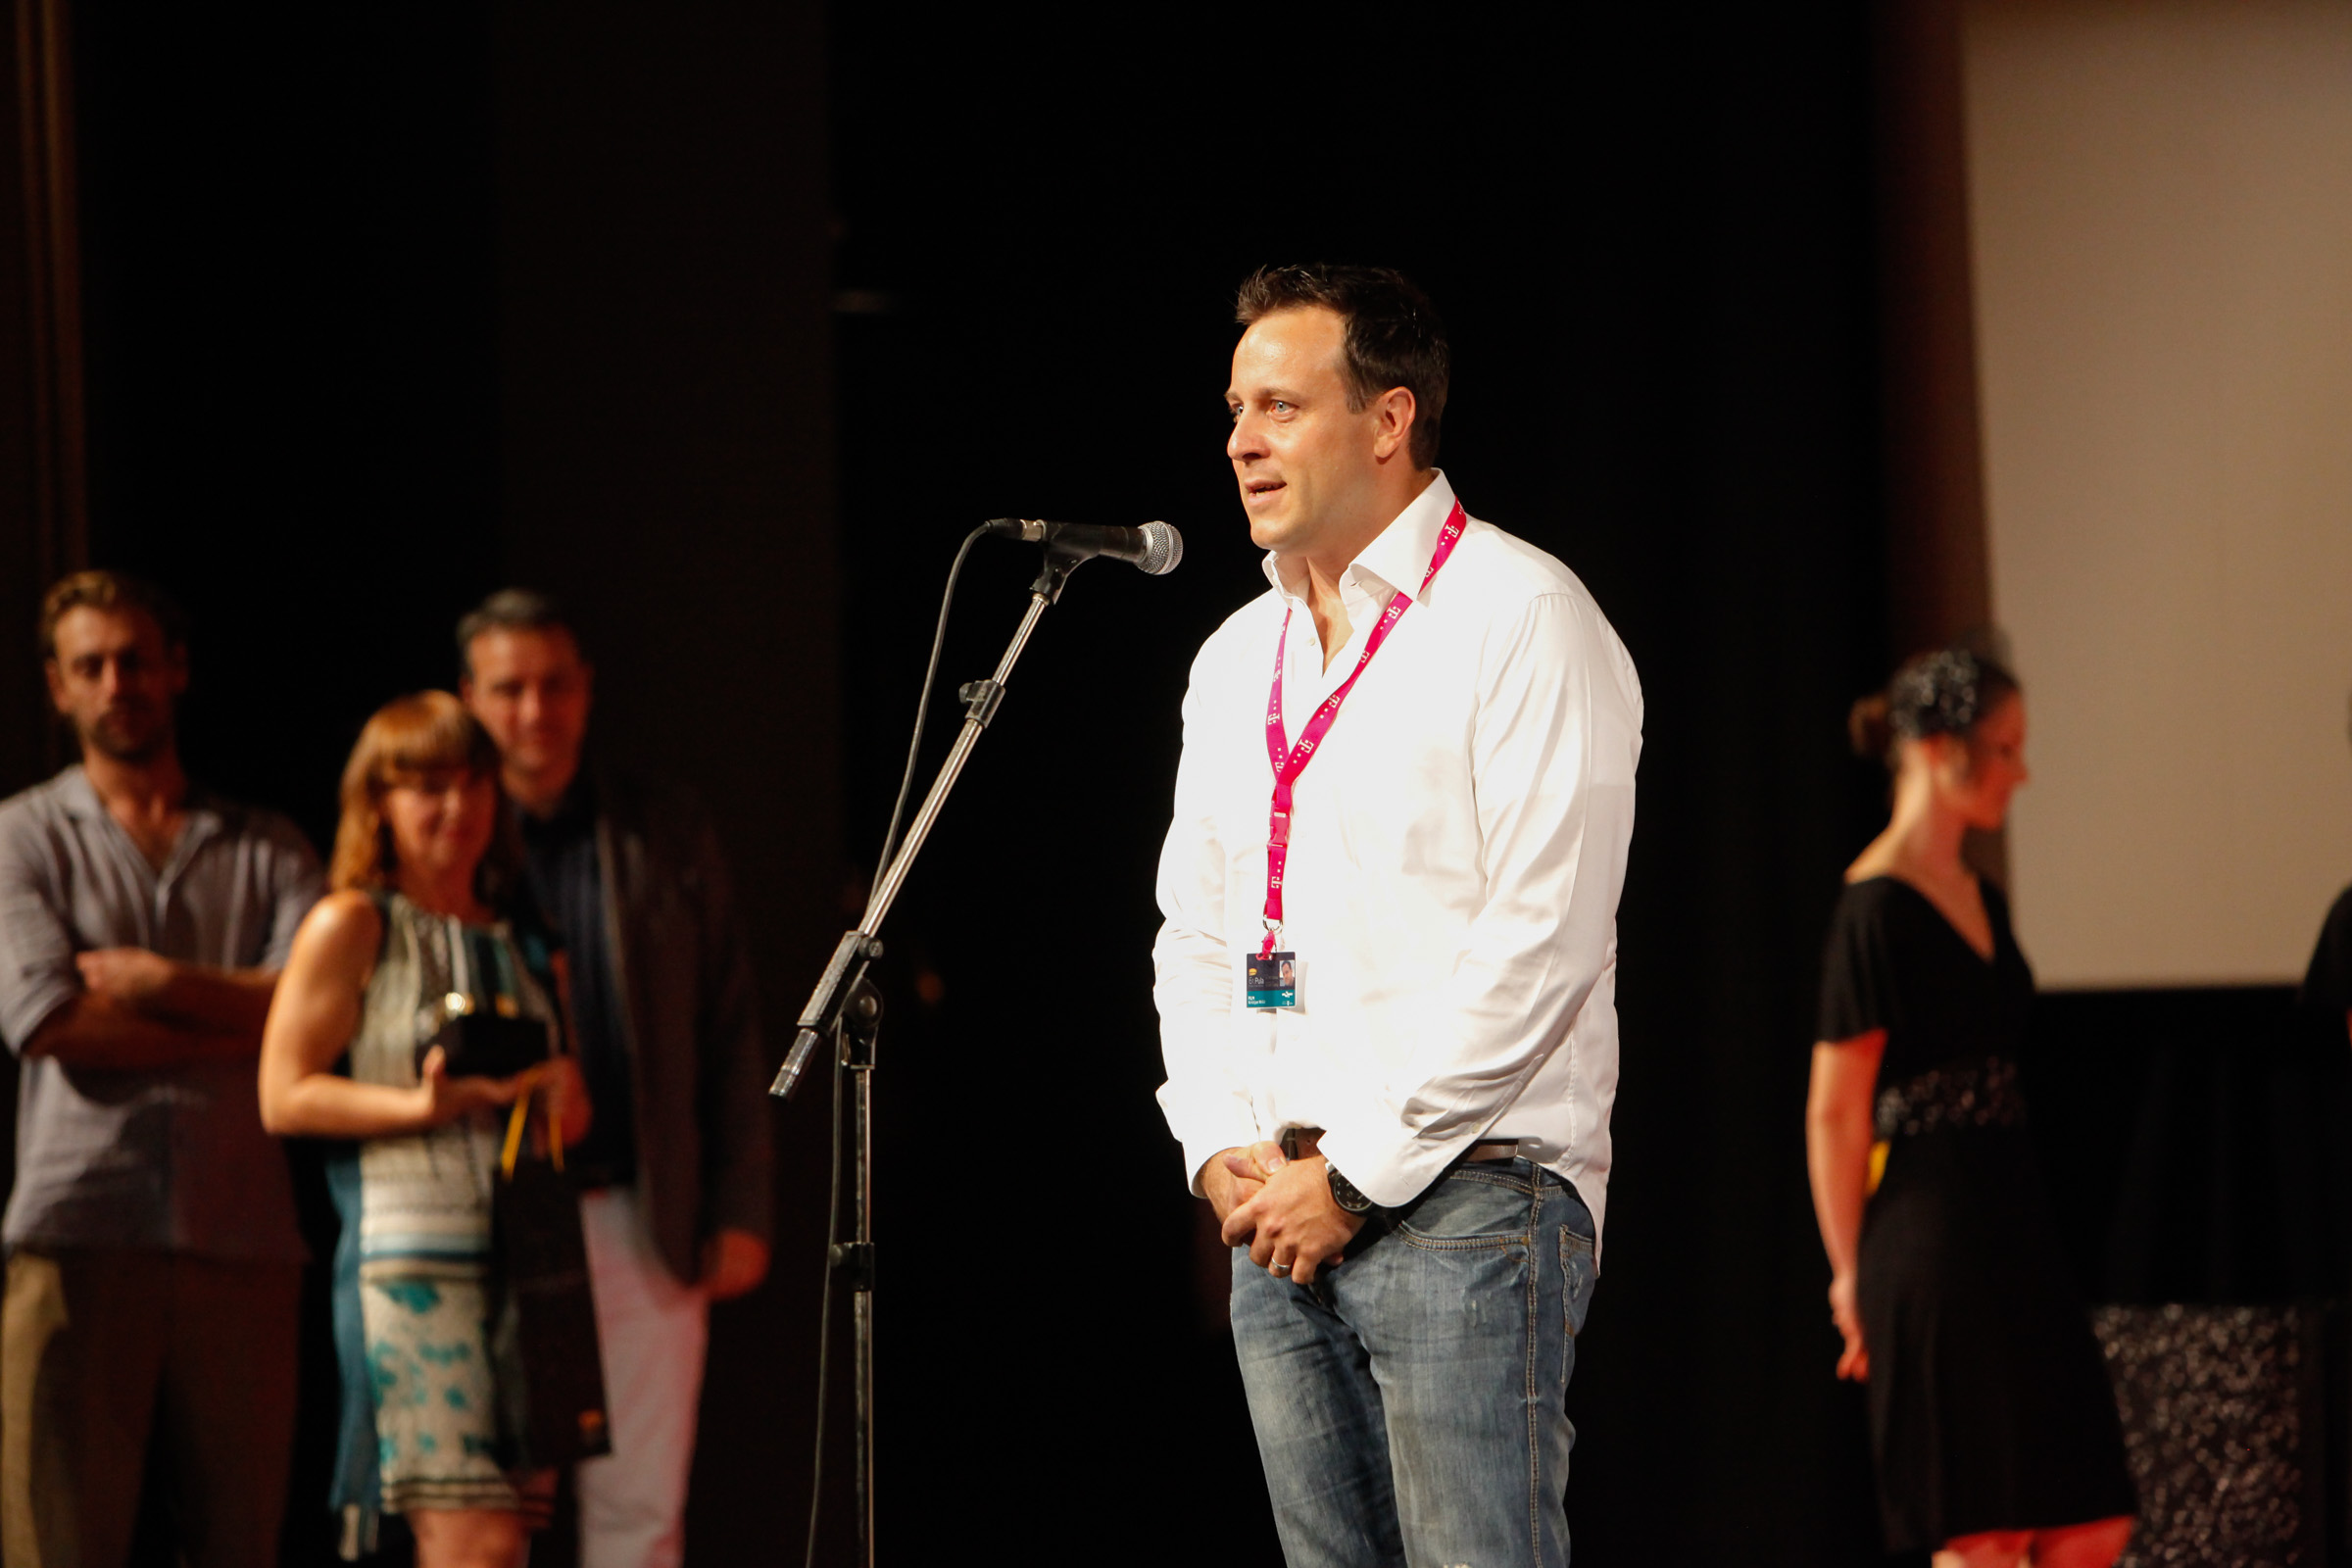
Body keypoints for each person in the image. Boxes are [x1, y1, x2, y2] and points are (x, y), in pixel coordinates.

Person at [1152, 264, 1643, 1567]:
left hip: (1471, 1198)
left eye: (1280, 406)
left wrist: (1358, 1174)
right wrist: (1215, 1141)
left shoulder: (1523, 617)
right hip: (1277, 1211)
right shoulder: (1234, 658)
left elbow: (1543, 942)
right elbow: (1194, 934)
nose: (1242, 441)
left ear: (1389, 419)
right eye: (1235, 409)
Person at [0, 570, 321, 1568]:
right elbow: (48, 1018)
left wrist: (159, 981)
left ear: (176, 669)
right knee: (60, 1544)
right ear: (57, 685)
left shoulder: (267, 845)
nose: (116, 683)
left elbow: (324, 1010)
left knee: (242, 1541)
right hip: (81, 1228)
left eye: (134, 660)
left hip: (242, 1235)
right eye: (91, 665)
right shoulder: (21, 834)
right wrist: (245, 1023)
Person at [455, 590, 771, 1568]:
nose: (534, 710)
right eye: (509, 688)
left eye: (554, 685)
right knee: (489, 1518)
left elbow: (727, 1024)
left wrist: (740, 1205)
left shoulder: (659, 827)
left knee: (640, 1516)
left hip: (642, 1212)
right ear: (468, 697)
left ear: (586, 689)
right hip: (487, 1219)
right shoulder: (443, 833)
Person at [1806, 648, 2136, 1568]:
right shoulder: (1873, 910)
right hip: (1931, 1237)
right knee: (1980, 1530)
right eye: (2005, 748)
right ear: (1938, 747)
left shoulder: (1979, 893)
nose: (2021, 772)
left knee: (2088, 1522)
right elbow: (1835, 1112)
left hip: (2013, 1218)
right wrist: (1847, 1275)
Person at [259, 692, 590, 1568]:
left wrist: (558, 1093)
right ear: (380, 802)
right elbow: (282, 1095)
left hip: (527, 1265)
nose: (458, 807)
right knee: (473, 1544)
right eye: (429, 786)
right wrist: (421, 1107)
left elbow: (578, 1111)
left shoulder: (524, 938)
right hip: (414, 1268)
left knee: (509, 1545)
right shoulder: (352, 922)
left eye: (474, 783)